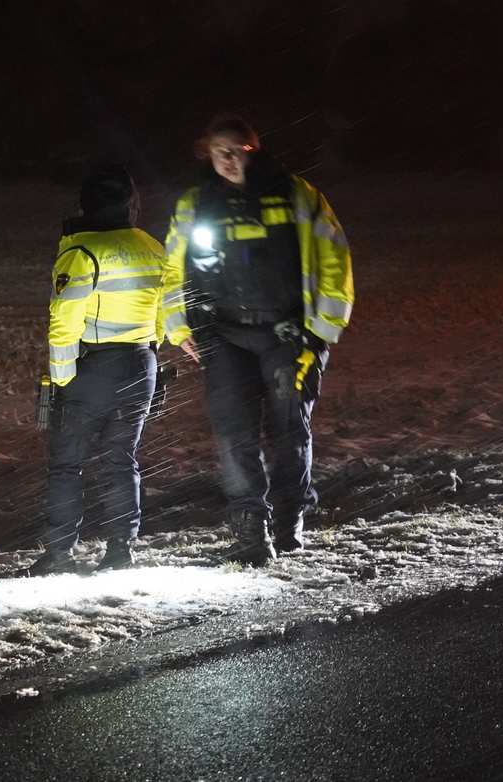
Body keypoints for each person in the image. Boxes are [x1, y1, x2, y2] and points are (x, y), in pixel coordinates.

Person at [163, 114, 354, 565]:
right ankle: (250, 528)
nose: (227, 161)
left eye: (236, 151)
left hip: (288, 335)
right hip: (224, 335)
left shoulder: (297, 196)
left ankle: (289, 520)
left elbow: (334, 259)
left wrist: (322, 332)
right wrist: (178, 325)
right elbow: (172, 266)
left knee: (288, 431)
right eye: (218, 153)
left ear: (255, 150)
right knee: (234, 435)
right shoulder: (195, 204)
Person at [27, 165, 188, 575]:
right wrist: (149, 355)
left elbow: (63, 321)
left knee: (67, 463)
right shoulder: (153, 248)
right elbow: (164, 313)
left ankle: (59, 554)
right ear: (130, 204)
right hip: (141, 363)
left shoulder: (80, 253)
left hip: (93, 367)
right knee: (121, 459)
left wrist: (62, 379)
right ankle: (120, 552)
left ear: (86, 203)